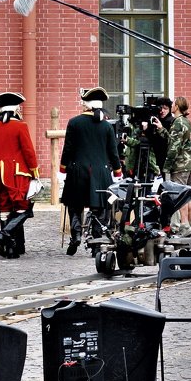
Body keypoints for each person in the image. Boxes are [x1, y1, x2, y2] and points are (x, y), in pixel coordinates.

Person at [59, 87, 121, 255]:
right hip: (100, 172)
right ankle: (96, 242)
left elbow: (68, 149)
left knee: (74, 205)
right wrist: (117, 171)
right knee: (100, 208)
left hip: (78, 170)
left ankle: (76, 234)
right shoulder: (107, 126)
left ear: (85, 104)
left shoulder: (74, 122)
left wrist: (63, 168)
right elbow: (113, 152)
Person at [0, 92, 39, 259]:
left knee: (5, 210)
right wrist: (34, 169)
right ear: (15, 110)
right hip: (17, 174)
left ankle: (12, 248)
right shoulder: (21, 126)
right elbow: (28, 151)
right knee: (23, 209)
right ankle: (4, 235)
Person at [163, 96, 191, 235]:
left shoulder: (177, 123)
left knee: (180, 196)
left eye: (173, 104)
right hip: (189, 163)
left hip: (179, 165)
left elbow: (174, 147)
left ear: (176, 107)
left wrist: (167, 165)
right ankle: (190, 223)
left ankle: (183, 225)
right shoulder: (187, 122)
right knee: (189, 196)